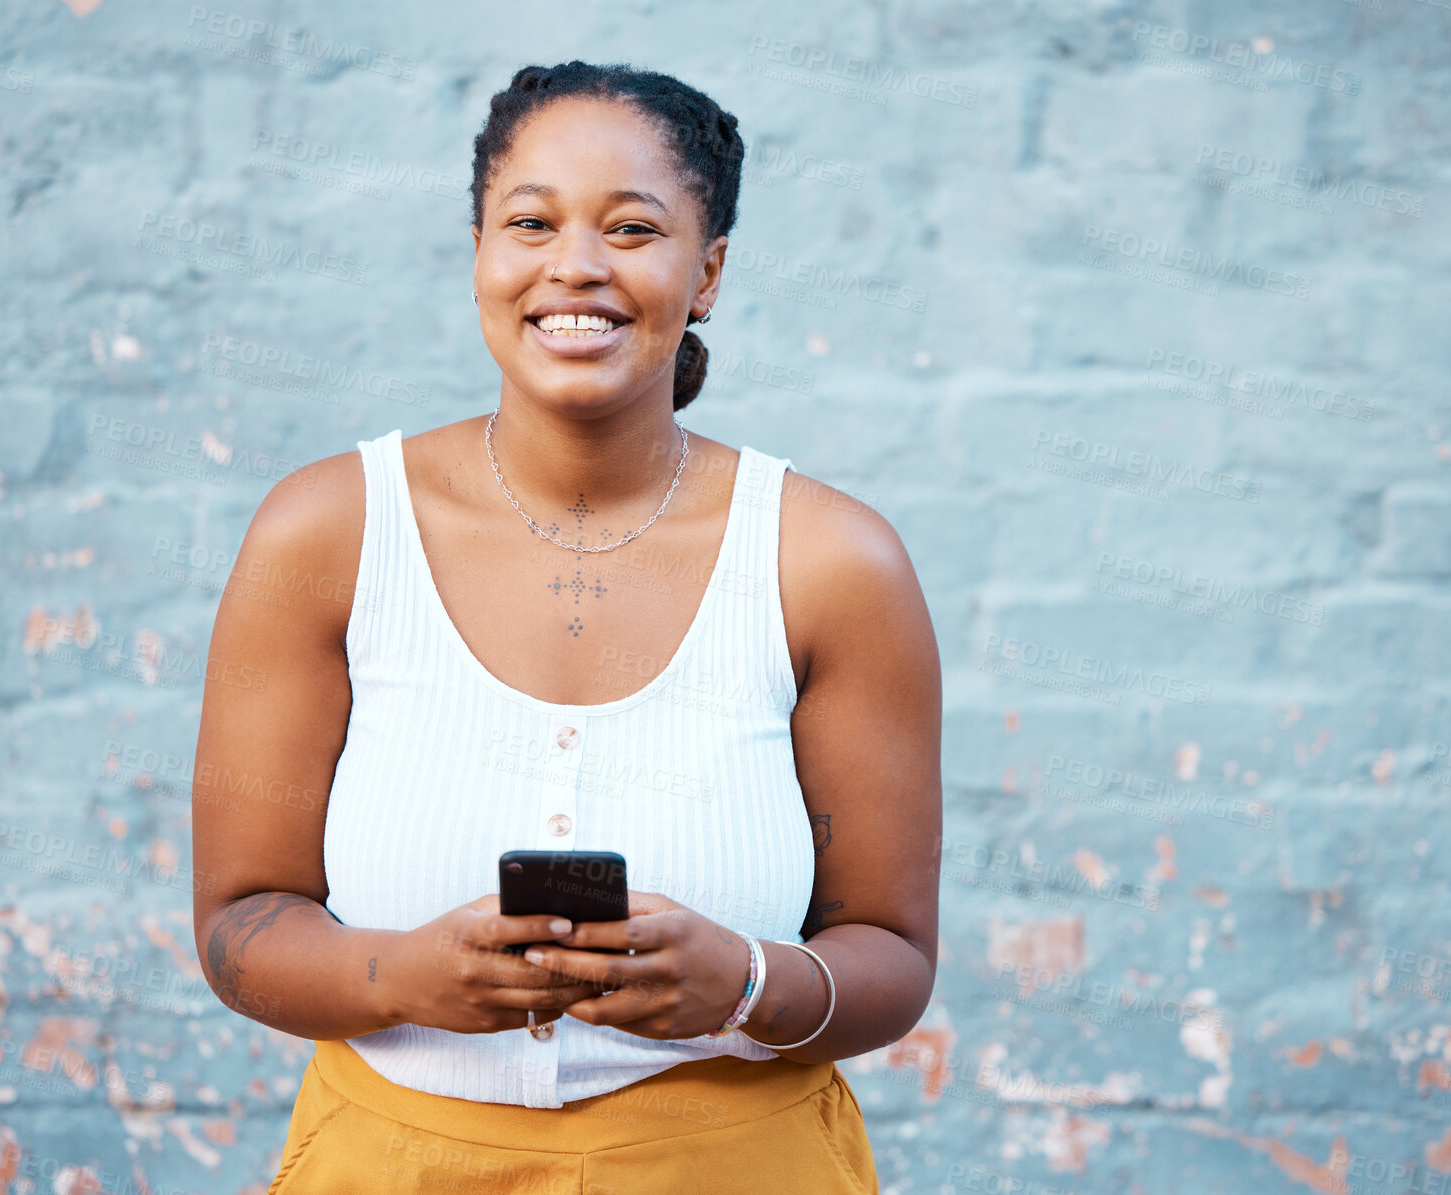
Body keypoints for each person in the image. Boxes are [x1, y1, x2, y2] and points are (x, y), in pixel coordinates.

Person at [191, 60, 942, 1194]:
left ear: (708, 272)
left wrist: (743, 984)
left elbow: (890, 957)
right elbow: (238, 923)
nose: (574, 265)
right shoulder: (329, 531)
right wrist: (396, 976)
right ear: (481, 255)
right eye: (529, 221)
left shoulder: (829, 561)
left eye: (633, 227)